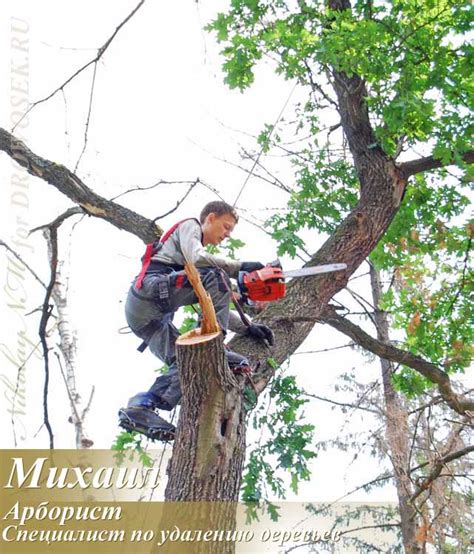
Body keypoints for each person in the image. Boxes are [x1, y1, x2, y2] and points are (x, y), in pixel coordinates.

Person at [119, 200, 274, 440]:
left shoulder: (189, 273)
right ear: (210, 218)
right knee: (216, 275)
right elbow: (200, 259)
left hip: (148, 321)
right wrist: (239, 267)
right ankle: (213, 346)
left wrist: (248, 328)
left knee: (187, 360)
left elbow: (212, 303)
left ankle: (141, 407)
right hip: (150, 291)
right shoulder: (190, 226)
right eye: (226, 227)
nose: (227, 235)